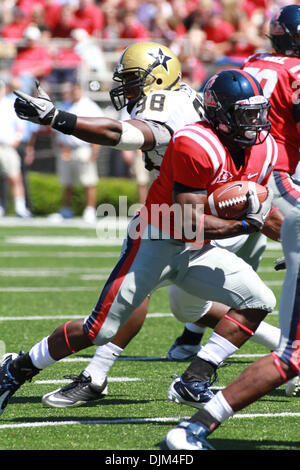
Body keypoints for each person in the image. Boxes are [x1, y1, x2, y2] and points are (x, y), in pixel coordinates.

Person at [10, 42, 284, 410]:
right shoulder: (192, 123)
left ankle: (192, 377)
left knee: (230, 302)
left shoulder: (177, 111)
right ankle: (37, 370)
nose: (128, 88)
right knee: (119, 320)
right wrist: (250, 224)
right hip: (170, 222)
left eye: (134, 80)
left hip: (200, 216)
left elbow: (119, 135)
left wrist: (59, 119)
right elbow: (199, 216)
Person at [168, 4, 300, 398]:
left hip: (247, 164)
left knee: (239, 262)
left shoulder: (255, 60)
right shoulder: (294, 70)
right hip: (274, 170)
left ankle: (192, 339)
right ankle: (288, 358)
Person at [163, 201, 300, 450]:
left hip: (241, 231)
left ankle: (193, 370)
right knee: (291, 356)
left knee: (260, 304)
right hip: (182, 239)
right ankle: (196, 425)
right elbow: (280, 184)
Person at [53, 81, 104, 223]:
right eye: (72, 90)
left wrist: (95, 150)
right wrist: (61, 147)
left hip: (83, 148)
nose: (74, 92)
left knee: (88, 181)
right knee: (66, 182)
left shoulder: (89, 106)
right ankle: (66, 209)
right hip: (67, 150)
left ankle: (90, 209)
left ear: (81, 90)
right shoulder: (66, 105)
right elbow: (57, 130)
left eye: (76, 89)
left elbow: (98, 128)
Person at [0, 78, 31, 218]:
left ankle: (20, 207)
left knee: (15, 177)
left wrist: (16, 140)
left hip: (7, 147)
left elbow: (21, 127)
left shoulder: (9, 104)